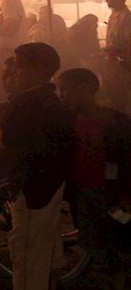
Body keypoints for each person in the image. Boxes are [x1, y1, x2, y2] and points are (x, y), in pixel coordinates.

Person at [0, 42, 72, 290]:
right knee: (39, 247)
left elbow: (10, 140)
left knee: (29, 253)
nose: (15, 72)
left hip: (35, 188)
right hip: (39, 185)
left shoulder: (34, 105)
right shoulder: (41, 102)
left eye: (19, 67)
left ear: (39, 70)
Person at [57, 68, 131, 287]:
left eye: (64, 90)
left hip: (113, 194)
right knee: (90, 233)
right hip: (82, 190)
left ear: (84, 89)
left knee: (120, 229)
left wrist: (125, 195)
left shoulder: (116, 123)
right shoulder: (69, 119)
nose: (61, 95)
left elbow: (126, 161)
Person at [104, 0, 131, 113]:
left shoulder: (127, 17)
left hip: (122, 61)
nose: (106, 1)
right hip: (112, 60)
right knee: (113, 91)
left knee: (121, 92)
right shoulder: (113, 15)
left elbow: (129, 42)